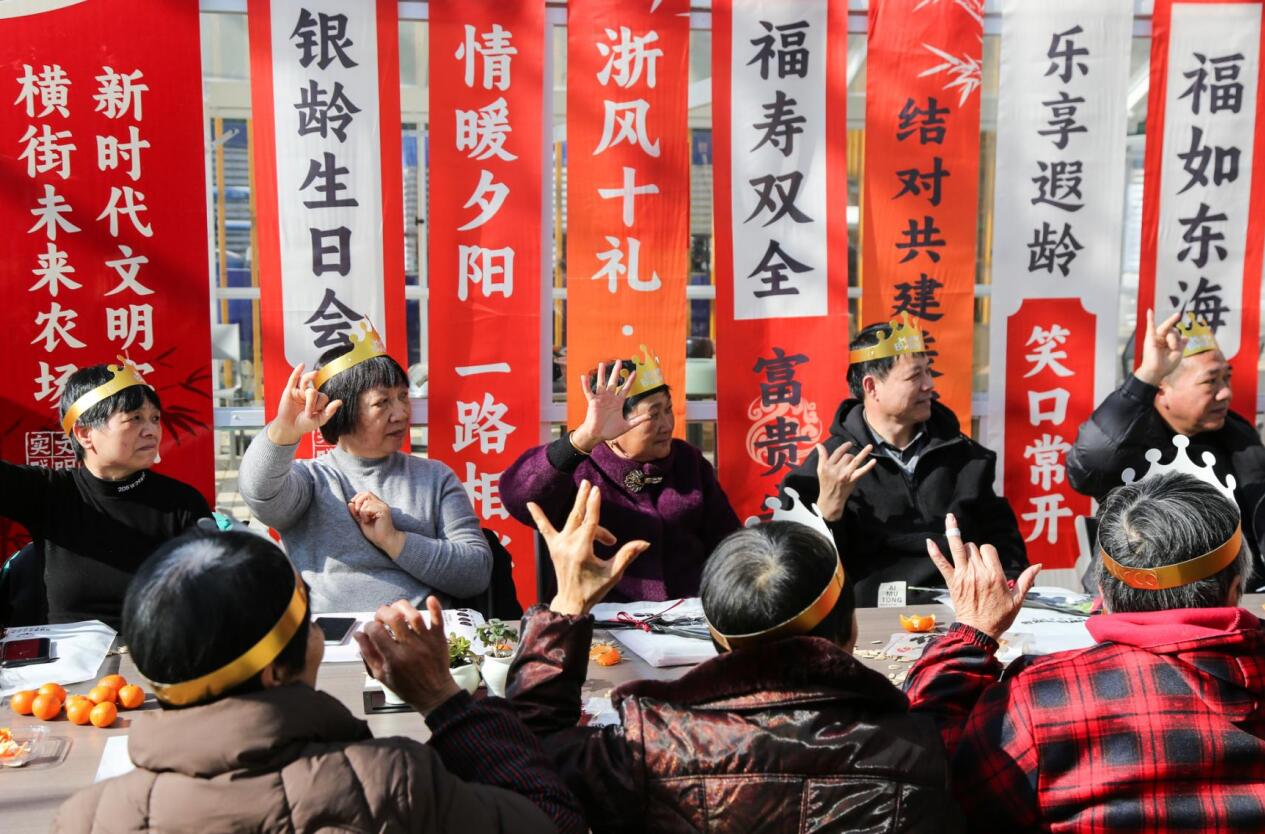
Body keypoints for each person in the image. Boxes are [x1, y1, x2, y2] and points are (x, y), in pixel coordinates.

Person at [52, 529, 584, 834]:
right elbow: (553, 821)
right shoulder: (390, 783)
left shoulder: (85, 818)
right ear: (273, 672)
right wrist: (445, 700)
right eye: (308, 624)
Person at [504, 482, 957, 833]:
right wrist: (972, 637)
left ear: (717, 639)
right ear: (850, 630)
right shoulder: (917, 744)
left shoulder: (649, 744)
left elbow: (527, 755)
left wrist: (567, 605)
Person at [905, 472, 1265, 831]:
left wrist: (972, 634)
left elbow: (926, 776)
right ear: (1235, 588)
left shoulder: (1038, 700)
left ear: (1103, 594)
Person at [239, 320, 491, 613]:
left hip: (420, 634)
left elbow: (476, 573)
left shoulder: (436, 478)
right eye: (382, 402)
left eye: (403, 396)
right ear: (341, 409)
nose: (401, 413)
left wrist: (394, 540)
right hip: (330, 637)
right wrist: (285, 429)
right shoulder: (311, 479)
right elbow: (259, 494)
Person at [780, 314, 1027, 605]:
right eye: (914, 376)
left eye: (928, 371)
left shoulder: (963, 455)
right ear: (872, 387)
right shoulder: (831, 466)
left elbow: (1002, 538)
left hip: (962, 607)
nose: (929, 385)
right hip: (868, 615)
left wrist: (1008, 587)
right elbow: (796, 568)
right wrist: (828, 512)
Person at [501, 346, 740, 602]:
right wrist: (584, 436)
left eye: (668, 409)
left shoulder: (688, 461)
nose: (667, 424)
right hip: (595, 612)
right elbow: (519, 496)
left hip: (687, 613)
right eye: (653, 414)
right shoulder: (580, 467)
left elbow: (728, 542)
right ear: (615, 421)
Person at [0, 360, 210, 627]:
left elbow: (210, 595)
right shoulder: (50, 492)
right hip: (63, 653)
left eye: (155, 418)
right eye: (135, 418)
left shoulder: (183, 503)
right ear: (84, 433)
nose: (151, 431)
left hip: (153, 649)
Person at [1068, 309, 1265, 574]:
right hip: (1142, 588)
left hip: (1238, 589)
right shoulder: (1133, 441)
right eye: (1210, 382)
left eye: (1226, 378)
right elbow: (1090, 464)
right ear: (1161, 388)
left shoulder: (1239, 438)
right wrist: (1146, 377)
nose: (1225, 393)